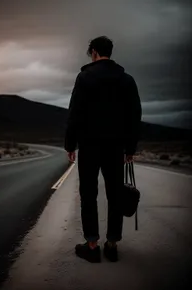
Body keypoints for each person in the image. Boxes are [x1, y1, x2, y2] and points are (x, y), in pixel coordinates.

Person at [65, 36, 142, 263]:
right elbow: (134, 116)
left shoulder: (84, 78)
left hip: (89, 146)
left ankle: (91, 246)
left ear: (95, 52)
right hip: (116, 147)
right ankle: (112, 244)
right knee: (115, 195)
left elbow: (74, 114)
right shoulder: (127, 80)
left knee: (89, 194)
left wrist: (70, 144)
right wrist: (130, 147)